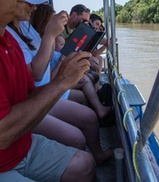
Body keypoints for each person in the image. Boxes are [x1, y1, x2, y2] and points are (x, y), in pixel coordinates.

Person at [6, 0, 114, 163]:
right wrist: (51, 35)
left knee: (89, 115)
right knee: (77, 138)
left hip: (42, 91)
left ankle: (96, 153)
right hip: (34, 97)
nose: (33, 7)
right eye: (28, 2)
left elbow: (44, 68)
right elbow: (37, 74)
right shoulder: (11, 34)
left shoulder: (27, 30)